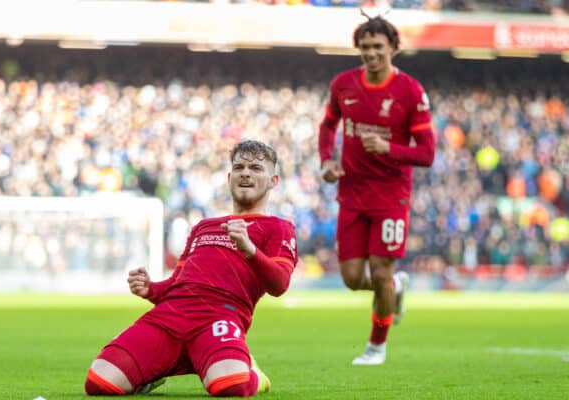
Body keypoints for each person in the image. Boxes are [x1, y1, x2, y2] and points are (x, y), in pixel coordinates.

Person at [84, 140, 298, 396]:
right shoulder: (204, 226)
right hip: (170, 315)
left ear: (273, 181)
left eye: (255, 168)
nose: (246, 173)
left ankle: (254, 373)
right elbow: (178, 283)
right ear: (230, 177)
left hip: (219, 317)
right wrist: (151, 289)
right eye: (239, 167)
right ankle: (156, 373)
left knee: (232, 387)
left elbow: (280, 284)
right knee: (99, 383)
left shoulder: (278, 227)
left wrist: (249, 250)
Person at [318, 13, 435, 365]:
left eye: (378, 47)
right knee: (354, 279)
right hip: (352, 193)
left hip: (390, 196)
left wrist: (390, 149)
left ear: (394, 49)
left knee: (380, 272)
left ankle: (376, 347)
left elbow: (427, 154)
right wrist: (327, 161)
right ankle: (395, 289)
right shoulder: (343, 84)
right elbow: (328, 126)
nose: (371, 53)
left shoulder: (410, 92)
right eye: (365, 47)